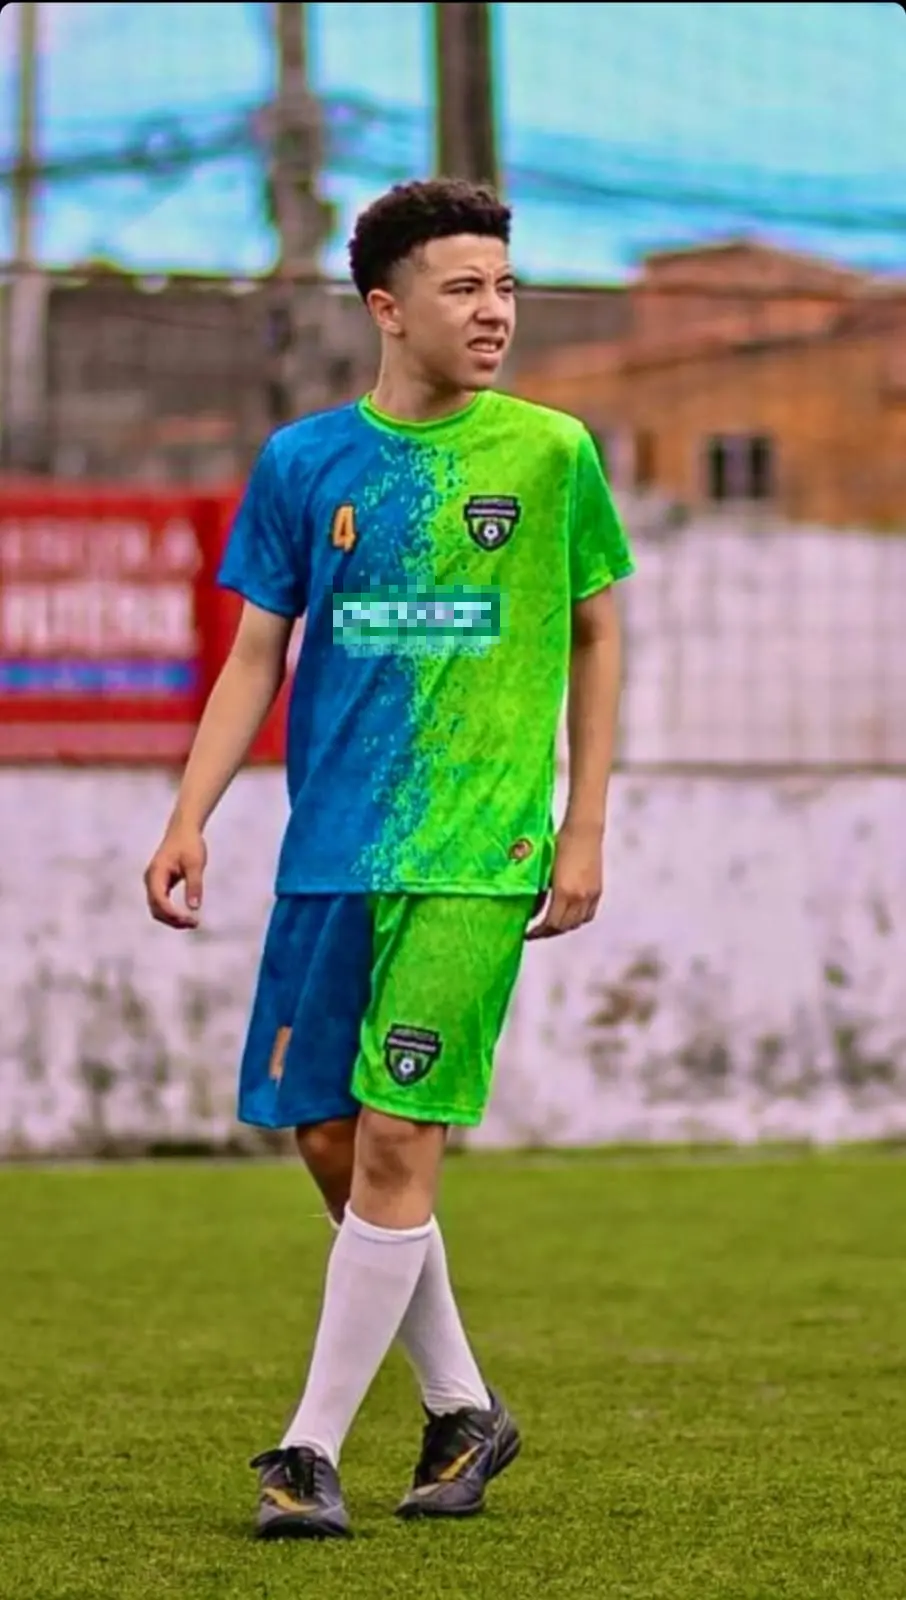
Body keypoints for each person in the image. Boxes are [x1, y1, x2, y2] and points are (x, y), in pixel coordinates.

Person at [143, 177, 634, 1541]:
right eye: (463, 288)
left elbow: (600, 631)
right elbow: (256, 653)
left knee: (400, 1136)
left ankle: (306, 1450)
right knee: (327, 1135)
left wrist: (585, 823)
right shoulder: (305, 462)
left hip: (475, 852)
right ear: (387, 307)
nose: (494, 312)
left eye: (506, 287)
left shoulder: (550, 452)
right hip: (330, 852)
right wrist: (189, 815)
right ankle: (463, 1406)